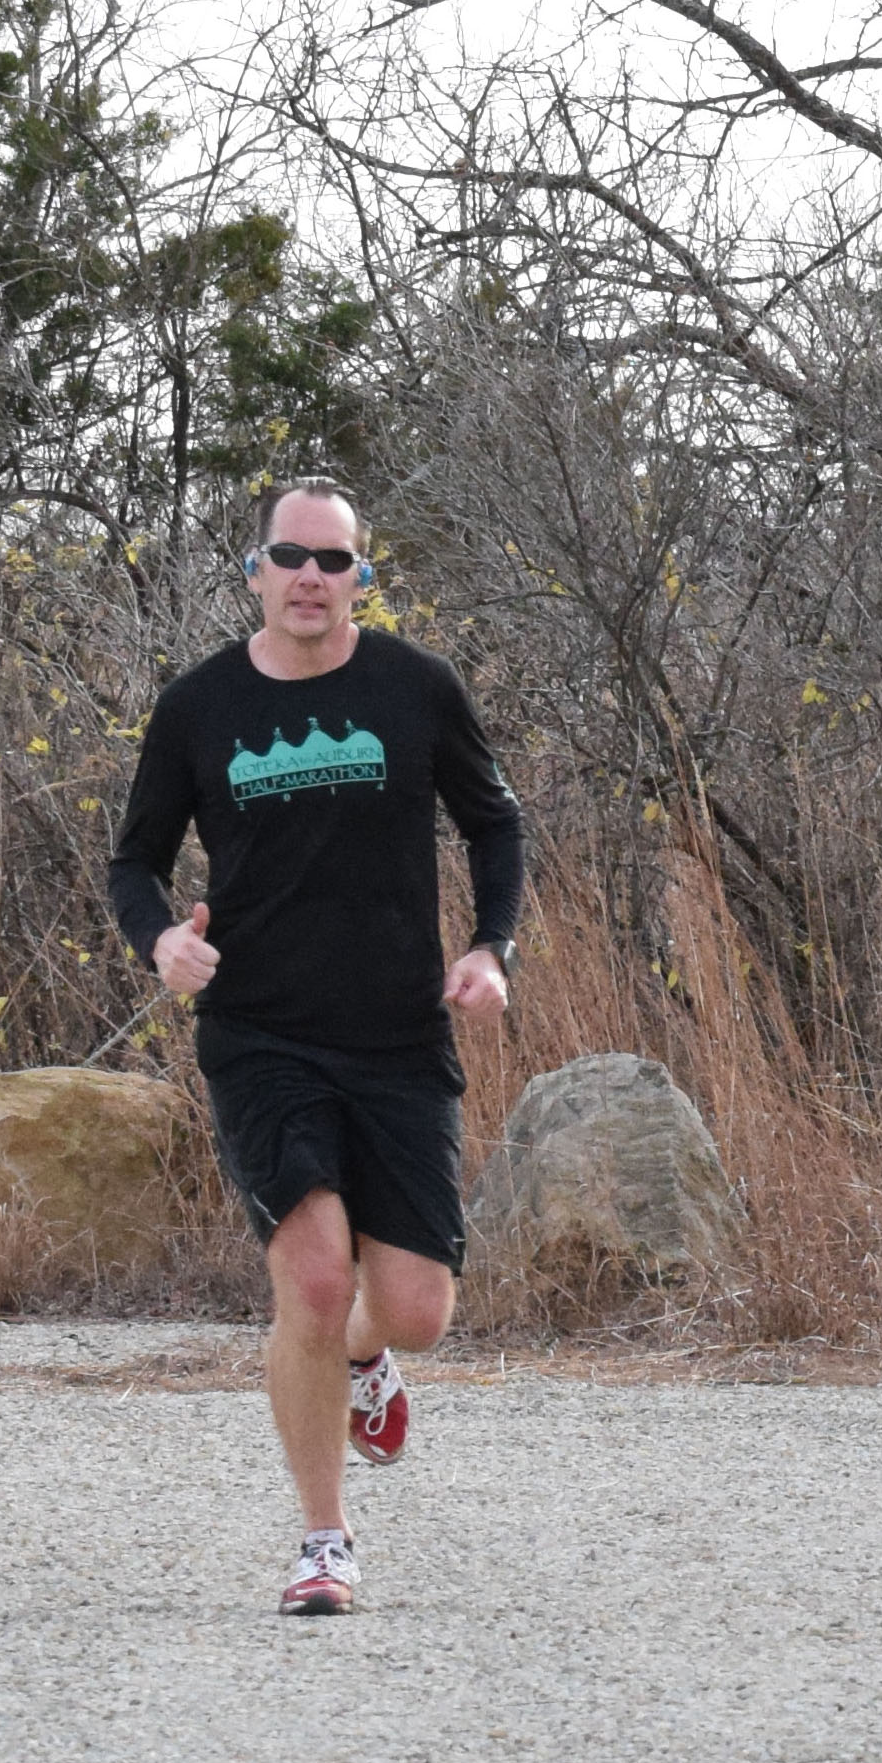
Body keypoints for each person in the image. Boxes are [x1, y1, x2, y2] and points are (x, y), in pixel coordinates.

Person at [107, 479, 524, 1614]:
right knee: (315, 1274)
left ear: (361, 580)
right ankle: (322, 1541)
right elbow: (132, 861)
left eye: (333, 562)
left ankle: (365, 1360)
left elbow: (494, 820)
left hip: (395, 1032)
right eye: (289, 556)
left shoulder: (415, 688)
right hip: (261, 1034)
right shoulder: (199, 706)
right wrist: (162, 944)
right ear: (255, 570)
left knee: (419, 1309)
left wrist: (490, 946)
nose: (309, 577)